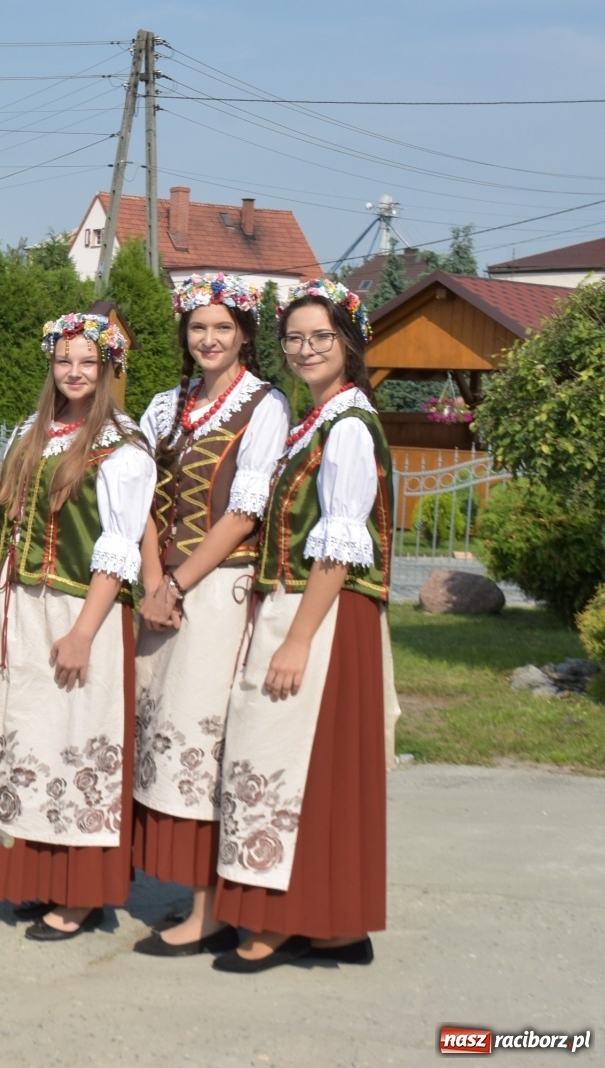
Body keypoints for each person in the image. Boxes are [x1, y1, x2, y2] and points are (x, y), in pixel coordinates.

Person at [211, 278, 393, 972]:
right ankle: (334, 925)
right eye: (296, 338)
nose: (308, 348)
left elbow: (340, 544)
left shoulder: (347, 426)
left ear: (349, 344)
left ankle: (282, 922)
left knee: (283, 760)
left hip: (322, 613)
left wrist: (297, 637)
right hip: (305, 608)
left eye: (322, 337)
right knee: (304, 769)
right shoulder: (318, 420)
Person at [0, 313, 155, 940]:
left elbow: (120, 545)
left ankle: (80, 896)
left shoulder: (122, 446)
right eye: (64, 361)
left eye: (87, 362)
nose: (74, 373)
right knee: (23, 741)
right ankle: (33, 878)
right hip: (17, 607)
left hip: (75, 611)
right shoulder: (36, 430)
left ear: (107, 370)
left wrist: (82, 632)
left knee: (71, 742)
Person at [130, 274, 291, 956]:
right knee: (159, 738)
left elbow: (245, 511)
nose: (209, 339)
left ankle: (210, 909)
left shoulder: (266, 406)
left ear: (246, 336)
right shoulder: (167, 405)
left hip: (217, 593)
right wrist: (151, 580)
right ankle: (192, 890)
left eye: (222, 328)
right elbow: (133, 496)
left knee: (204, 745)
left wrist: (179, 583)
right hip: (159, 589)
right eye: (198, 328)